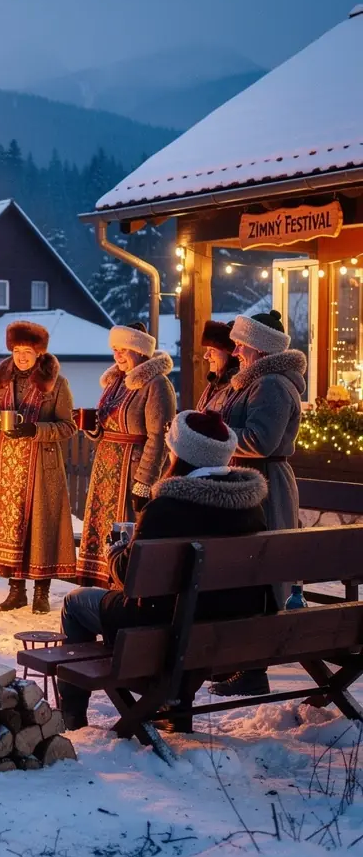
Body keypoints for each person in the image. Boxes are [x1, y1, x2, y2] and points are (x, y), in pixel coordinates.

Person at [58, 410, 272, 732]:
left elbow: (132, 580)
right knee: (185, 608)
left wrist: (116, 550)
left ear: (184, 454)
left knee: (75, 603)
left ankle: (72, 716)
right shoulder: (250, 506)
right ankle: (174, 707)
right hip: (226, 629)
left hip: (161, 629)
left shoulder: (167, 506)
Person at [209, 309, 306, 698]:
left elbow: (261, 440)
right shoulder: (250, 382)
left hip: (265, 486)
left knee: (261, 570)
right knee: (242, 571)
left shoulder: (271, 386)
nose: (234, 348)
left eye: (240, 342)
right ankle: (239, 661)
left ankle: (253, 668)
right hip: (246, 483)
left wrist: (215, 432)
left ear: (259, 347)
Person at [0, 321, 77, 613]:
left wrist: (34, 429)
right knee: (10, 526)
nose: (21, 357)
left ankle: (41, 592)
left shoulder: (56, 383)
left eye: (28, 351)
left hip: (40, 465)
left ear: (39, 353)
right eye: (17, 350)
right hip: (7, 466)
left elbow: (68, 426)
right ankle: (16, 591)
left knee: (39, 526)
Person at [76, 322, 176, 587]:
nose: (117, 355)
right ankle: (100, 584)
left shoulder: (157, 385)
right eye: (115, 349)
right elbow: (107, 426)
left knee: (126, 527)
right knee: (104, 526)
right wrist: (92, 428)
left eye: (124, 349)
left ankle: (123, 585)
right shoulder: (115, 382)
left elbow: (159, 438)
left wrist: (144, 482)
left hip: (132, 470)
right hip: (107, 469)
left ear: (140, 351)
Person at [197, 320, 239, 412]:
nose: (206, 356)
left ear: (230, 353)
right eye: (207, 350)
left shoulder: (236, 388)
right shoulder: (215, 383)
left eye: (212, 350)